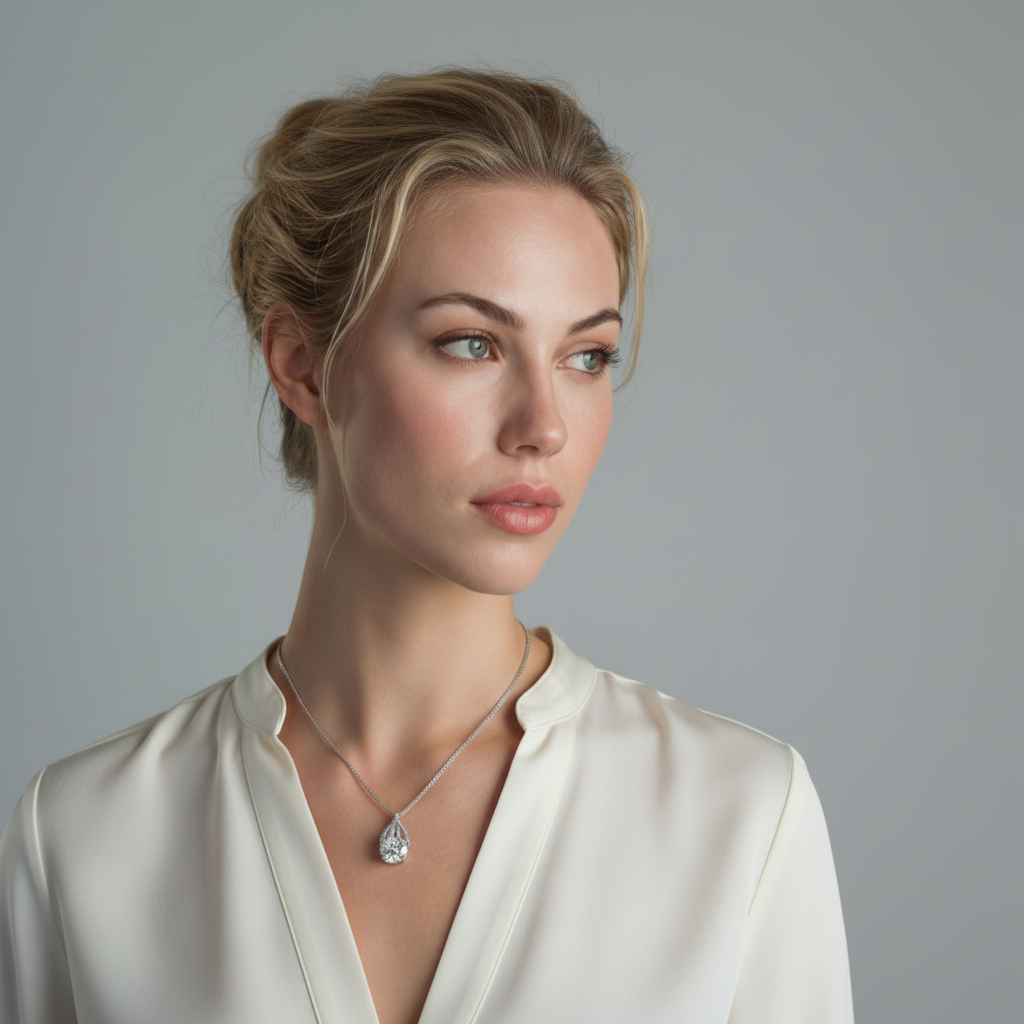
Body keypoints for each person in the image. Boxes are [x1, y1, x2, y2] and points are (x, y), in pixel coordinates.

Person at [0, 68, 854, 1024]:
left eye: (588, 356)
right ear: (303, 366)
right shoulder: (85, 836)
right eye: (471, 343)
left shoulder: (735, 816)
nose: (545, 427)